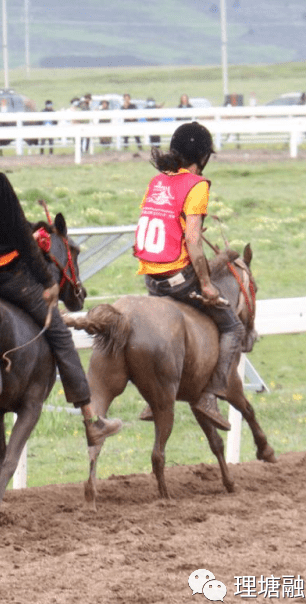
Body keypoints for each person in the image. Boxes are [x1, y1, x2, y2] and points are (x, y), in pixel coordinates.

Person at [0, 122, 123, 446]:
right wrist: (48, 280)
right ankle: (92, 420)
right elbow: (20, 237)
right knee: (61, 337)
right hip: (9, 280)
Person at [134, 122, 244, 431]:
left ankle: (152, 396)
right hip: (177, 279)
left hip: (150, 280)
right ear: (202, 157)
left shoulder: (157, 181)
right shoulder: (197, 185)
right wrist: (207, 285)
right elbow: (193, 242)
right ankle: (211, 394)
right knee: (232, 326)